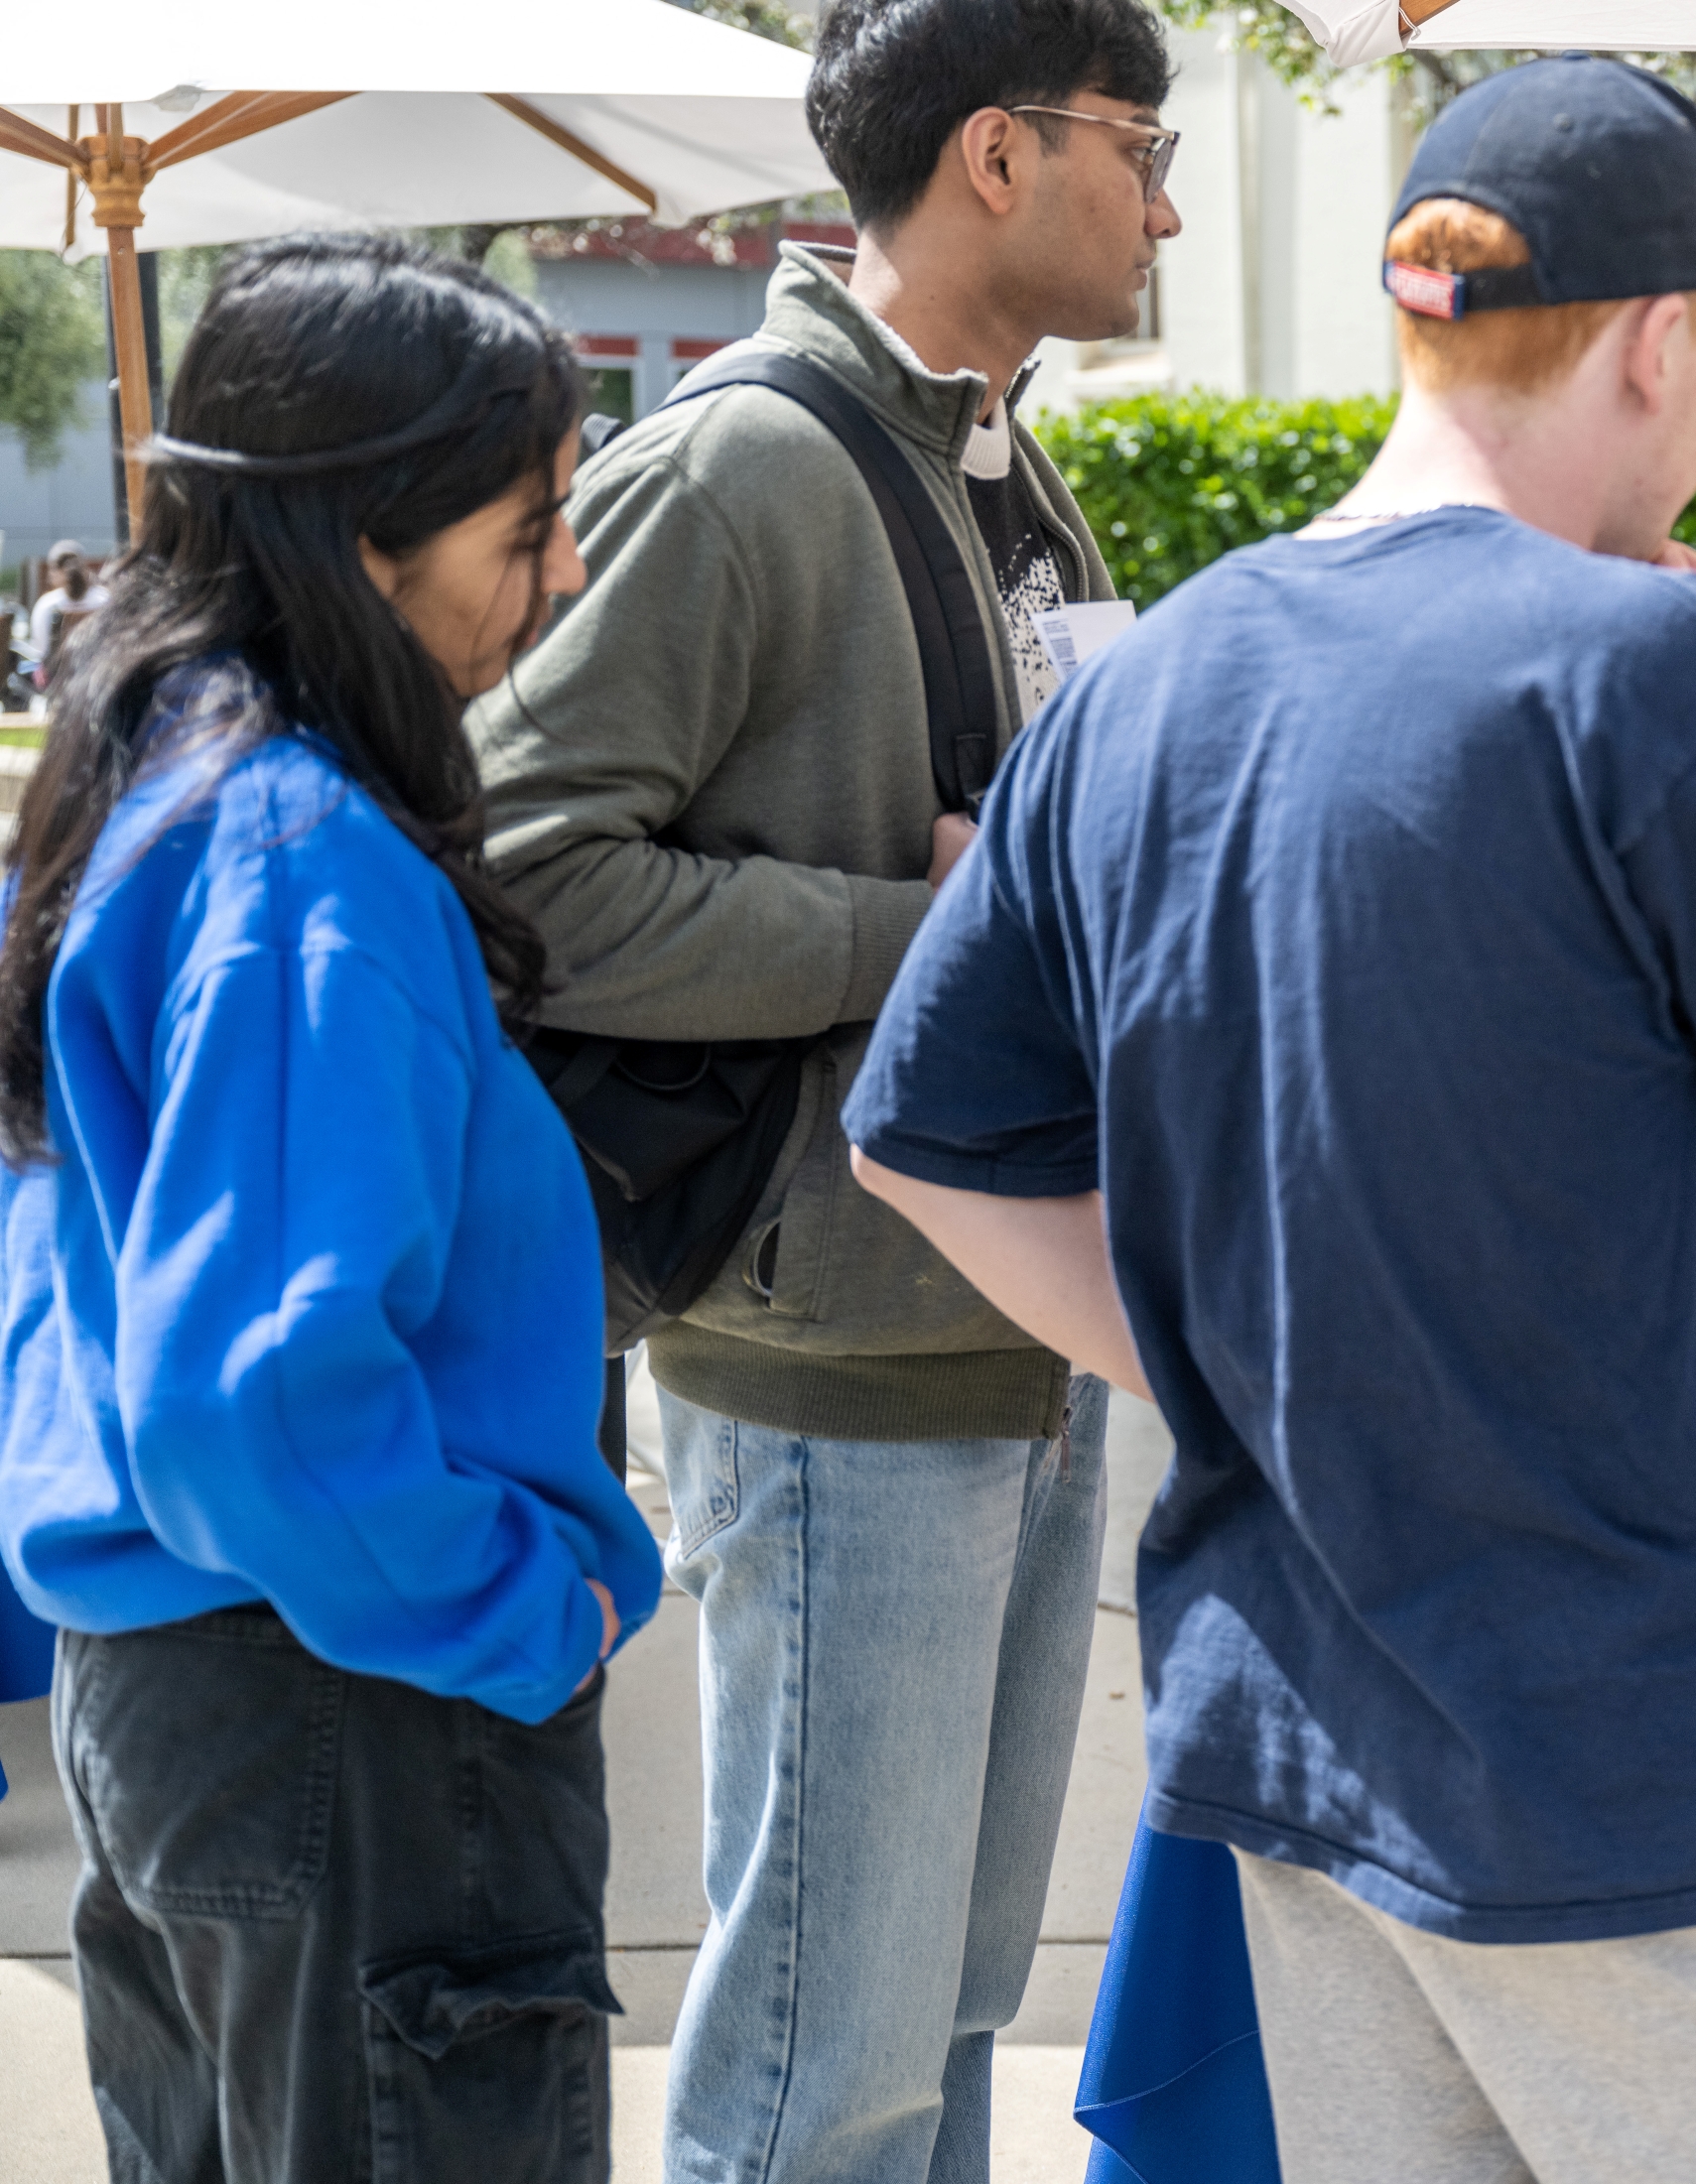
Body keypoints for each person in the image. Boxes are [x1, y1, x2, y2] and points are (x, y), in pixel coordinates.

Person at [843, 56, 1696, 2184]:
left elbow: (922, 1137)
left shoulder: (1145, 677)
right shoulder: (1646, 664)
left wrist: (1239, 1358)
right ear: (1668, 336)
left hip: (1306, 1720)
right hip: (1647, 1752)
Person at [461, 1, 1181, 2173]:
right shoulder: (748, 457)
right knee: (823, 2059)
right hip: (829, 1362)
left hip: (1008, 1343)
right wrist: (921, 924)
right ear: (996, 152)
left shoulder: (996, 459)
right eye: (1139, 145)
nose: (1160, 198)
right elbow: (522, 874)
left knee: (943, 2020)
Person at [0, 233, 658, 2182]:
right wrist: (526, 1614)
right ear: (370, 535)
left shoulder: (152, 780)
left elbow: (69, 1283)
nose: (563, 575)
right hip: (353, 1695)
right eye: (530, 525)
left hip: (187, 1683)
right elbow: (265, 1394)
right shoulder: (303, 853)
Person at [29, 542, 107, 689]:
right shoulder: (104, 599)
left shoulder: (46, 605)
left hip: (58, 682)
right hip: (99, 679)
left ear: (57, 571)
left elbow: (40, 650)